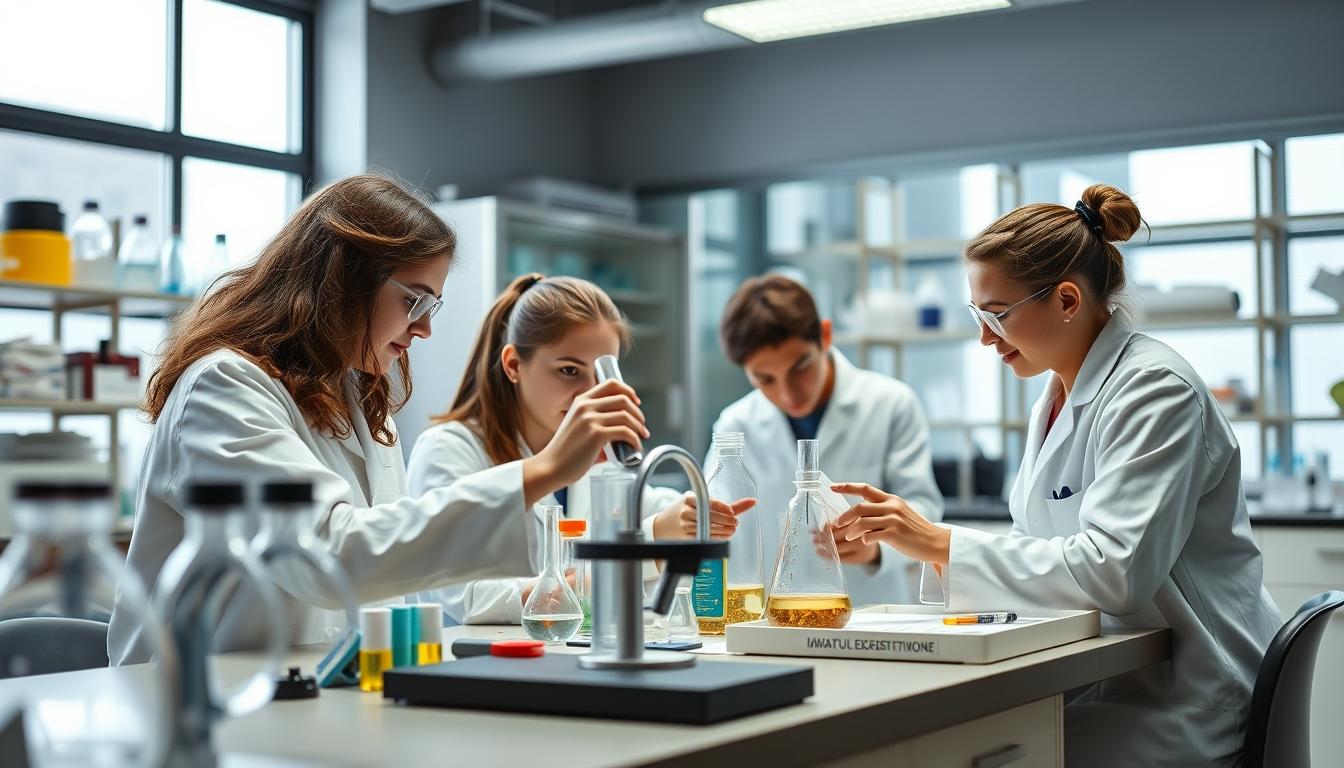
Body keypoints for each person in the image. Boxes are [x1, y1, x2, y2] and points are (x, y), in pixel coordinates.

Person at [108, 176, 646, 663]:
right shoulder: (223, 386)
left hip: (311, 695)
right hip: (195, 704)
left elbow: (389, 574)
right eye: (414, 301)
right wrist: (544, 471)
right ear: (341, 280)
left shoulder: (360, 400)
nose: (423, 331)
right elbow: (326, 557)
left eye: (430, 307)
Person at [831, 184, 1280, 766]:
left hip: (1187, 698)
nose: (984, 337)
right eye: (977, 314)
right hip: (1118, 683)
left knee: (961, 751)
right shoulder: (1059, 396)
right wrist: (939, 556)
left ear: (1067, 300)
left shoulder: (1154, 390)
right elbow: (1041, 547)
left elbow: (1116, 572)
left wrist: (941, 542)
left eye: (996, 315)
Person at [407, 274, 755, 624]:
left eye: (602, 375)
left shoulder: (600, 459)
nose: (591, 396)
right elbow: (470, 599)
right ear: (514, 365)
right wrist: (652, 542)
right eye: (569, 370)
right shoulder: (450, 451)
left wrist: (691, 517)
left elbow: (650, 509)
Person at [710, 275, 943, 606]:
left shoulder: (891, 403)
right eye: (765, 379)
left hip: (871, 615)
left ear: (825, 335)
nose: (788, 393)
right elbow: (713, 526)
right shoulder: (735, 424)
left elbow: (924, 506)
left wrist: (876, 546)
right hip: (770, 620)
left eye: (800, 367)